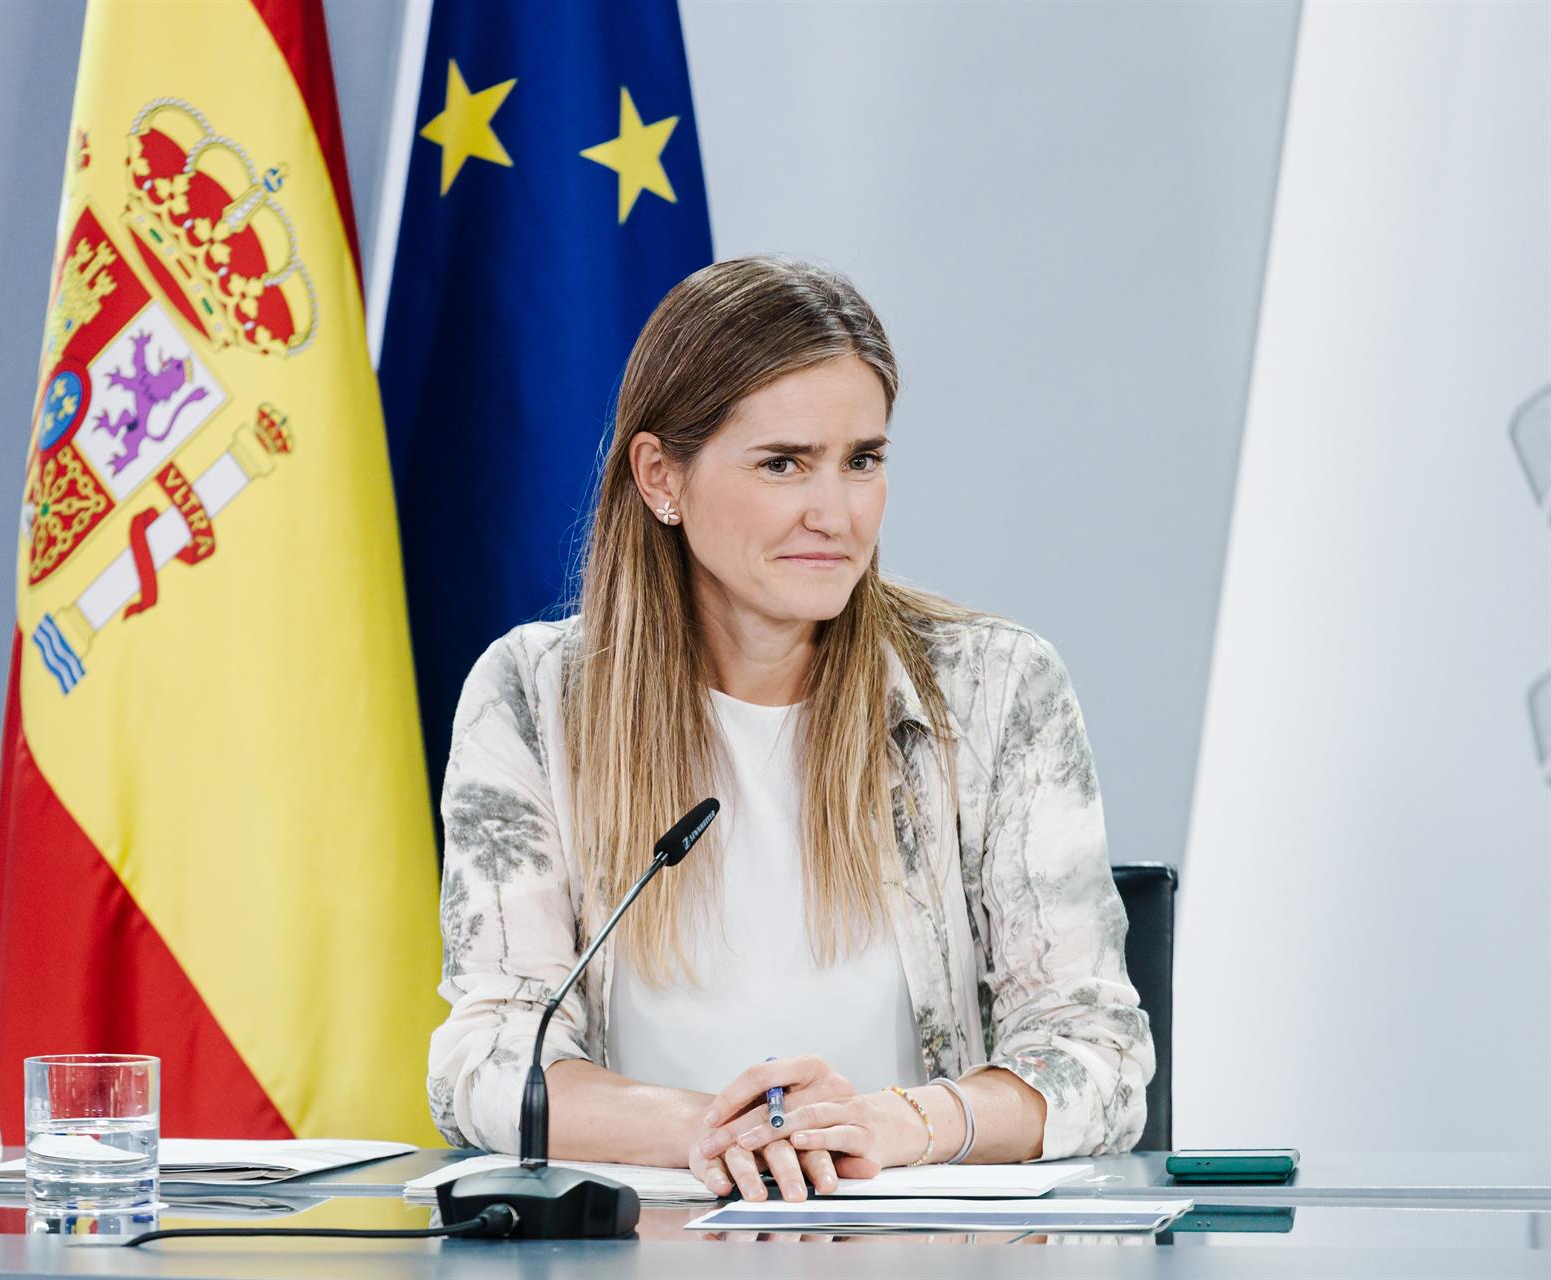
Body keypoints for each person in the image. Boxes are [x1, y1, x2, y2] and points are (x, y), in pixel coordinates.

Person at [427, 255, 1151, 1203]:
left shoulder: (994, 688)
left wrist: (888, 1126)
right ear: (660, 477)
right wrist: (722, 1133)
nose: (835, 514)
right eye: (783, 464)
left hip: (922, 1248)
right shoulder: (533, 698)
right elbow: (488, 1058)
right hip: (639, 1246)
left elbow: (1097, 1056)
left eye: (863, 461)